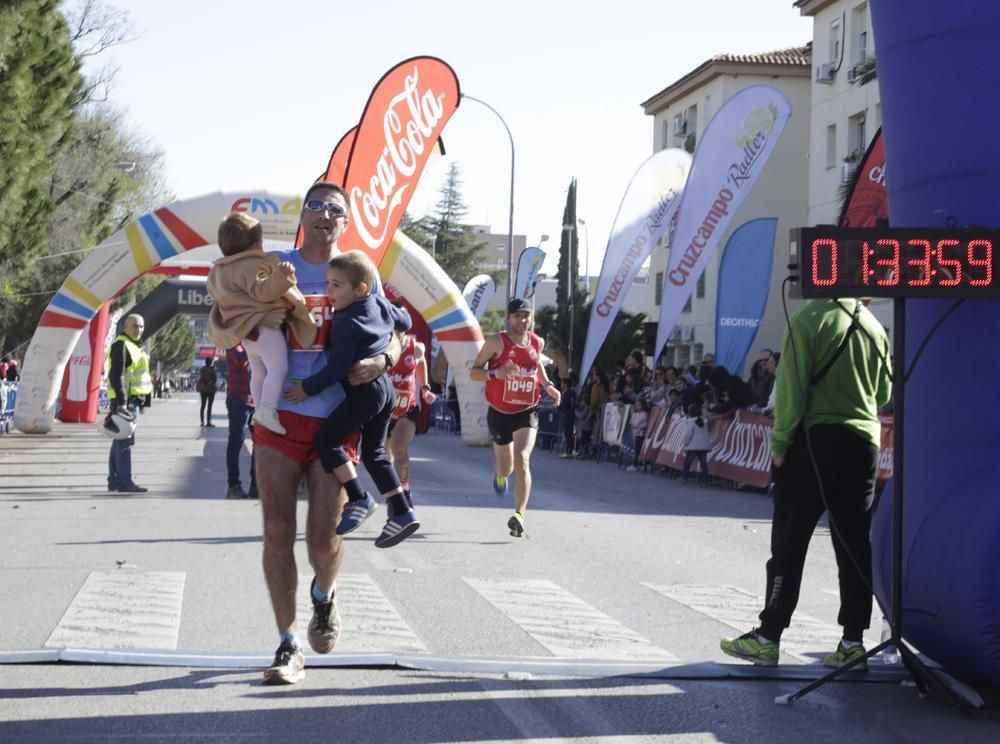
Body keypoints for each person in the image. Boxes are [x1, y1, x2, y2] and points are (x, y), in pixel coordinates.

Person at [252, 181, 402, 685]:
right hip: (278, 417)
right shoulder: (277, 264)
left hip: (336, 421)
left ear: (344, 221)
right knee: (276, 530)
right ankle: (288, 642)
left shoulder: (362, 272)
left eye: (334, 209)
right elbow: (235, 310)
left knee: (322, 537)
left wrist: (383, 358)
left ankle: (324, 596)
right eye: (315, 206)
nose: (324, 215)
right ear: (304, 216)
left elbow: (395, 334)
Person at [721, 298, 892, 670]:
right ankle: (852, 642)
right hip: (864, 443)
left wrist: (779, 445)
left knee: (790, 539)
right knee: (853, 543)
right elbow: (882, 394)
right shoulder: (877, 328)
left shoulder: (808, 320)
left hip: (814, 441)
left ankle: (768, 637)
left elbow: (791, 392)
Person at [285, 250, 418, 549]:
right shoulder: (378, 303)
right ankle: (402, 511)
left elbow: (338, 368)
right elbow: (406, 320)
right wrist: (383, 340)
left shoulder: (346, 323)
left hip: (365, 394)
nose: (329, 291)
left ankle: (359, 497)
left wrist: (307, 387)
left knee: (327, 442)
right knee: (375, 454)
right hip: (385, 391)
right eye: (328, 283)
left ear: (359, 289)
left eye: (336, 285)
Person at [207, 212, 317, 435]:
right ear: (256, 244)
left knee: (258, 371)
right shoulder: (251, 265)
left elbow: (228, 300)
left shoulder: (217, 272)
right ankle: (267, 409)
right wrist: (282, 277)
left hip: (247, 334)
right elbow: (263, 291)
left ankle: (259, 408)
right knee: (278, 368)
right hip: (267, 330)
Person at [470, 298, 560, 538]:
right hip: (500, 413)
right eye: (517, 316)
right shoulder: (496, 342)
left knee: (522, 459)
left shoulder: (537, 342)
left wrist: (548, 385)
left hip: (526, 410)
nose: (522, 320)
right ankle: (499, 474)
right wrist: (496, 373)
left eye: (526, 316)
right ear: (509, 318)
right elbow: (474, 372)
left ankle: (519, 515)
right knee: (506, 467)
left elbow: (536, 366)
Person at [385, 328, 436, 508]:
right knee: (385, 457)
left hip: (407, 409)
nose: (396, 334)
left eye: (400, 329)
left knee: (398, 448)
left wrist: (425, 388)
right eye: (392, 329)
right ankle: (393, 492)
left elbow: (420, 361)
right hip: (383, 413)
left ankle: (404, 489)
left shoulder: (415, 347)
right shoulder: (379, 345)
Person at [105, 314, 152, 493]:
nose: (138, 330)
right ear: (125, 326)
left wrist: (145, 402)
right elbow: (116, 375)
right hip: (125, 402)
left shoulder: (133, 346)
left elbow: (141, 377)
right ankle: (124, 481)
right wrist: (122, 402)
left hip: (132, 401)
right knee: (125, 442)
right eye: (134, 326)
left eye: (141, 326)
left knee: (119, 441)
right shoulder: (122, 345)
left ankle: (114, 480)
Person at [225, 344, 257, 500]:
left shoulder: (257, 341)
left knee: (260, 443)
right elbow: (247, 365)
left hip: (256, 401)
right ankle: (233, 485)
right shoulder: (234, 344)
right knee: (236, 442)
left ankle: (256, 485)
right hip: (239, 400)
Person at [681, 403, 711, 486]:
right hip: (703, 447)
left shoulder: (691, 422)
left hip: (693, 446)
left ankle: (684, 478)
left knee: (687, 462)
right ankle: (704, 481)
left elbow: (688, 435)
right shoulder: (704, 422)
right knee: (703, 464)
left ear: (690, 413)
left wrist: (685, 444)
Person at [197, 358, 218, 428]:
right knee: (209, 406)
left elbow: (202, 378)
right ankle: (208, 422)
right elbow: (215, 380)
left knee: (203, 405)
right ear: (211, 362)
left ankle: (202, 422)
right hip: (211, 390)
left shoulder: (202, 369)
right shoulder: (213, 370)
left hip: (203, 390)